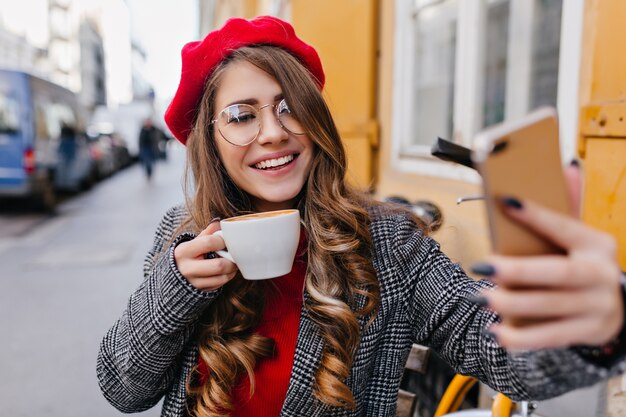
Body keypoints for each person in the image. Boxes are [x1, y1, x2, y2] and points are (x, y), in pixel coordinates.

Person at [97, 16, 626, 417]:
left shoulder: (386, 241)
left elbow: (487, 340)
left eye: (289, 107)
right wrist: (176, 290)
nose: (273, 132)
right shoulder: (183, 238)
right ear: (210, 142)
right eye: (241, 115)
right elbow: (123, 388)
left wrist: (589, 327)